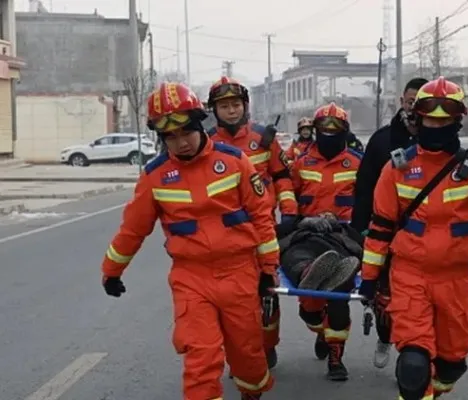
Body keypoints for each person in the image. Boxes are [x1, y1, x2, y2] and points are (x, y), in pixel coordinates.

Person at [357, 77, 468, 399]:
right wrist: (369, 277)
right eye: (430, 118)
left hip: (454, 280)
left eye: (444, 120)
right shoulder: (397, 168)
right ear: (419, 118)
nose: (436, 125)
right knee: (413, 363)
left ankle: (435, 388)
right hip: (409, 274)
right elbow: (381, 228)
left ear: (457, 120)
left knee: (452, 362)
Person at [100, 82, 278, 400]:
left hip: (239, 274)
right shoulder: (154, 177)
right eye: (171, 136)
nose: (181, 142)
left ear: (199, 124)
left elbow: (262, 219)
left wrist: (268, 270)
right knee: (201, 359)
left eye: (186, 132)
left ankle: (252, 393)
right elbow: (132, 230)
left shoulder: (236, 162)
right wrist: (112, 271)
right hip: (191, 278)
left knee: (248, 358)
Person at [206, 76, 296, 367]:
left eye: (235, 104)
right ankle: (242, 355)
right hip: (224, 237)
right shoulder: (206, 143)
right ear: (214, 110)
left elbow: (283, 177)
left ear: (245, 106)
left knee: (266, 292)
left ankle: (267, 347)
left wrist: (290, 211)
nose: (231, 111)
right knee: (233, 303)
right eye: (224, 106)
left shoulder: (264, 139)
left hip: (263, 230)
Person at [350, 77, 428, 368]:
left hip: (425, 240)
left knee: (417, 302)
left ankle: (413, 361)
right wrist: (359, 229)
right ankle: (385, 336)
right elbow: (364, 186)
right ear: (402, 102)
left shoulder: (437, 142)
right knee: (385, 297)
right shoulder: (382, 140)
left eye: (421, 103)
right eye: (410, 102)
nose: (414, 108)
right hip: (385, 232)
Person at [290, 102, 363, 381]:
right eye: (324, 129)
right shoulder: (300, 163)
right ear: (316, 131)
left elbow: (368, 204)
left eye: (336, 129)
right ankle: (319, 325)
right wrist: (298, 222)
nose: (329, 134)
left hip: (342, 235)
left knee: (339, 293)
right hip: (308, 231)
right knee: (309, 306)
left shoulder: (357, 163)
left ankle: (336, 356)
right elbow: (288, 200)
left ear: (344, 132)